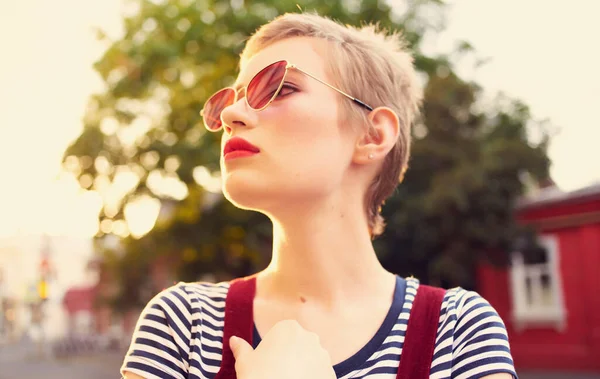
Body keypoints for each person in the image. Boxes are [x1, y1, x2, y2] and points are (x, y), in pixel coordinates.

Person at [121, 12, 517, 379]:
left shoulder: (458, 332)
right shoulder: (183, 324)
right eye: (230, 99)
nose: (231, 115)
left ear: (372, 135)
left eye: (279, 87)